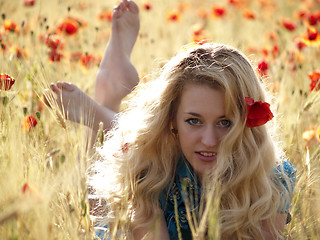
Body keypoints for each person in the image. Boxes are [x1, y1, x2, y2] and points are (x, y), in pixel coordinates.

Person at [45, 0, 296, 239]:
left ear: (247, 121)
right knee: (98, 212)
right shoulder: (148, 168)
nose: (209, 141)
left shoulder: (272, 180)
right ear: (171, 119)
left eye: (224, 122)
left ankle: (104, 103)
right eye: (194, 121)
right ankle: (107, 96)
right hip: (152, 166)